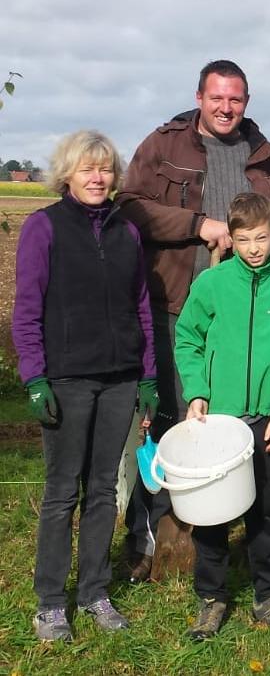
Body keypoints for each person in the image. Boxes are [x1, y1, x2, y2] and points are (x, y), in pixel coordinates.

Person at [118, 59, 270, 581]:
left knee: (229, 424)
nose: (225, 107)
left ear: (246, 102)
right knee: (172, 422)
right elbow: (130, 204)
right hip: (178, 304)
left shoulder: (261, 153)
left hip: (242, 314)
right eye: (217, 98)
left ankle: (224, 530)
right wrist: (199, 224)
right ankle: (151, 539)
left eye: (235, 99)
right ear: (199, 97)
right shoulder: (165, 145)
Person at [12, 130, 158, 640]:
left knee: (102, 493)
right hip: (67, 380)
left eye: (105, 170)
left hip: (119, 380)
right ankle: (50, 603)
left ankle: (94, 591)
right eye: (87, 169)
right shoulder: (43, 228)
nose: (98, 178)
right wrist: (35, 377)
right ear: (68, 174)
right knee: (60, 494)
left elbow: (141, 305)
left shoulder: (127, 233)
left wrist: (148, 376)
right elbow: (27, 310)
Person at [174, 193, 270, 639]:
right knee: (212, 516)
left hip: (266, 420)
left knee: (268, 510)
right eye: (244, 239)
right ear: (230, 239)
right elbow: (187, 339)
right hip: (218, 423)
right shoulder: (212, 284)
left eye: (261, 237)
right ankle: (212, 599)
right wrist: (197, 392)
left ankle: (269, 596)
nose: (254, 247)